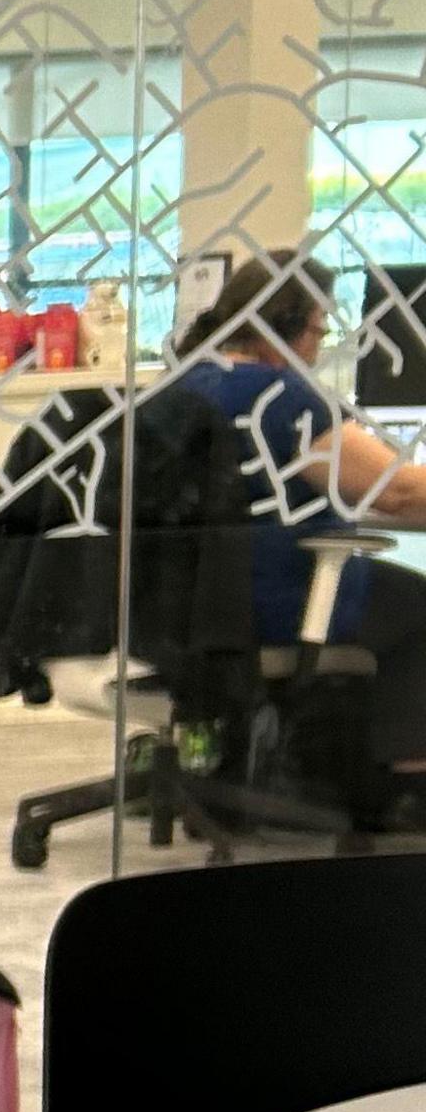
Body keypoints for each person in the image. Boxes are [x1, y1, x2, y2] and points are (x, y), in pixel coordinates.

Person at [165, 251, 426, 783]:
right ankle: (408, 782)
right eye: (317, 330)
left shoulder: (184, 383)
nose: (319, 347)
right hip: (278, 596)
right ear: (280, 327)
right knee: (419, 608)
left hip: (186, 603)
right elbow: (397, 493)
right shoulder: (279, 397)